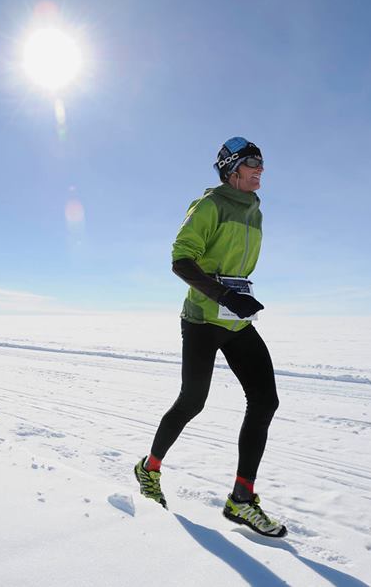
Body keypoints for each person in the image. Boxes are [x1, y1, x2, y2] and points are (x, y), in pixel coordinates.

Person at [134, 136, 286, 537]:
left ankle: (241, 498)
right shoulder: (210, 205)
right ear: (231, 168)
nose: (261, 168)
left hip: (236, 321)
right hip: (203, 319)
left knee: (265, 400)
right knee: (192, 401)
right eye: (252, 162)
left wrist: (237, 299)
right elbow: (180, 260)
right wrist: (223, 295)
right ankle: (149, 468)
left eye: (262, 162)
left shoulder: (255, 209)